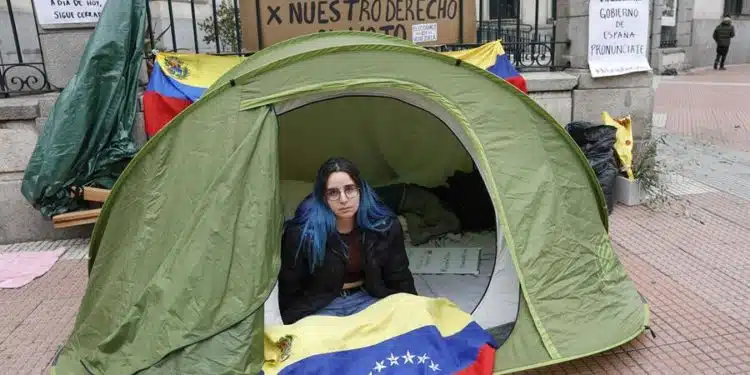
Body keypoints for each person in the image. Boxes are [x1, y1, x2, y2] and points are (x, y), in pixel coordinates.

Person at [277, 157, 417, 325]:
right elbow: (290, 287)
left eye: (349, 189)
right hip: (320, 307)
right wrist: (292, 324)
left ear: (360, 190)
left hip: (369, 300)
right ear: (323, 197)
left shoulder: (385, 226)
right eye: (333, 192)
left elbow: (399, 276)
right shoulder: (301, 233)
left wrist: (413, 312)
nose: (343, 199)